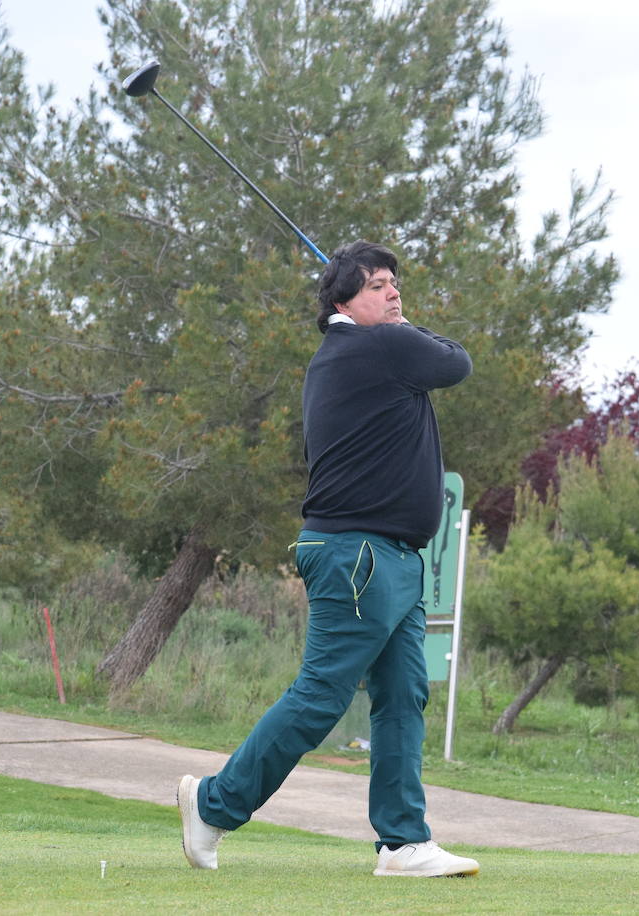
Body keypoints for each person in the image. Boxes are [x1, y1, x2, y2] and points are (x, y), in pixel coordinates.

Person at [177, 239, 479, 877]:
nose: (393, 293)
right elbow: (457, 363)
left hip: (387, 555)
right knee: (321, 697)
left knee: (403, 696)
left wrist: (392, 319)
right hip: (360, 555)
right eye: (376, 286)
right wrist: (404, 327)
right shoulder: (381, 346)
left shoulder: (349, 352)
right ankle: (213, 803)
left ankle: (403, 843)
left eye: (395, 283)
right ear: (343, 300)